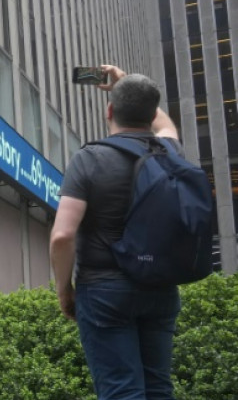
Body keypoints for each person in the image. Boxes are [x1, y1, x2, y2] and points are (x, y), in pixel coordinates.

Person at [50, 65, 182, 400]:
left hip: (105, 289)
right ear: (151, 113)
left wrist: (64, 290)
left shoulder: (89, 159)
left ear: (109, 111)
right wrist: (126, 83)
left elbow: (62, 236)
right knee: (158, 389)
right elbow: (165, 125)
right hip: (160, 287)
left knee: (121, 392)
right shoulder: (169, 152)